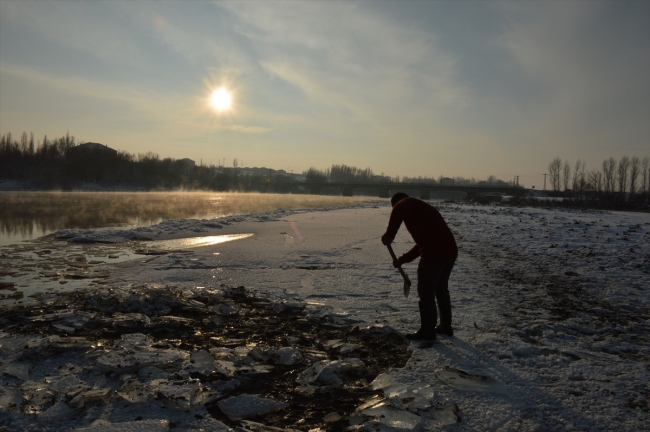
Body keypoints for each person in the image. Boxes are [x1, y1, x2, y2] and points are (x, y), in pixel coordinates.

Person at [381, 192, 458, 340]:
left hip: (435, 252)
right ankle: (445, 326)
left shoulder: (404, 203)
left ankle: (428, 331)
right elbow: (420, 245)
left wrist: (389, 235)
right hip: (449, 251)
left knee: (425, 289)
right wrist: (402, 260)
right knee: (440, 288)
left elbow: (399, 208)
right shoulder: (419, 211)